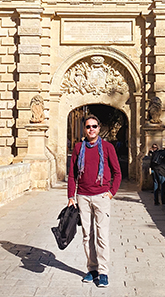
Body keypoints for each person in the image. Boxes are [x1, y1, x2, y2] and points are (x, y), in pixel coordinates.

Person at [67, 115, 121, 288]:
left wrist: (111, 193)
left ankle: (103, 272)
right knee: (87, 236)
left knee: (102, 236)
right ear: (84, 129)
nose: (91, 129)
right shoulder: (77, 148)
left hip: (101, 197)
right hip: (82, 196)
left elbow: (117, 172)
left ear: (99, 128)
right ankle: (92, 269)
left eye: (94, 126)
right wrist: (70, 196)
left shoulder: (107, 147)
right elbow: (72, 175)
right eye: (88, 126)